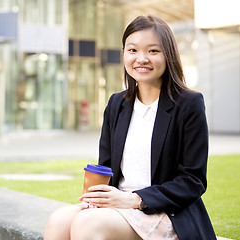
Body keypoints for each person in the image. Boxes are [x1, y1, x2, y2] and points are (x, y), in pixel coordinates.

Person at [44, 15, 216, 240]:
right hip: (118, 205)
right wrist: (95, 196)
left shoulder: (188, 104)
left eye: (153, 51)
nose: (141, 59)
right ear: (124, 53)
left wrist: (135, 199)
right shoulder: (117, 104)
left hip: (165, 211)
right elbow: (106, 168)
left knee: (87, 225)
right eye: (132, 50)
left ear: (168, 55)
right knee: (59, 220)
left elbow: (192, 181)